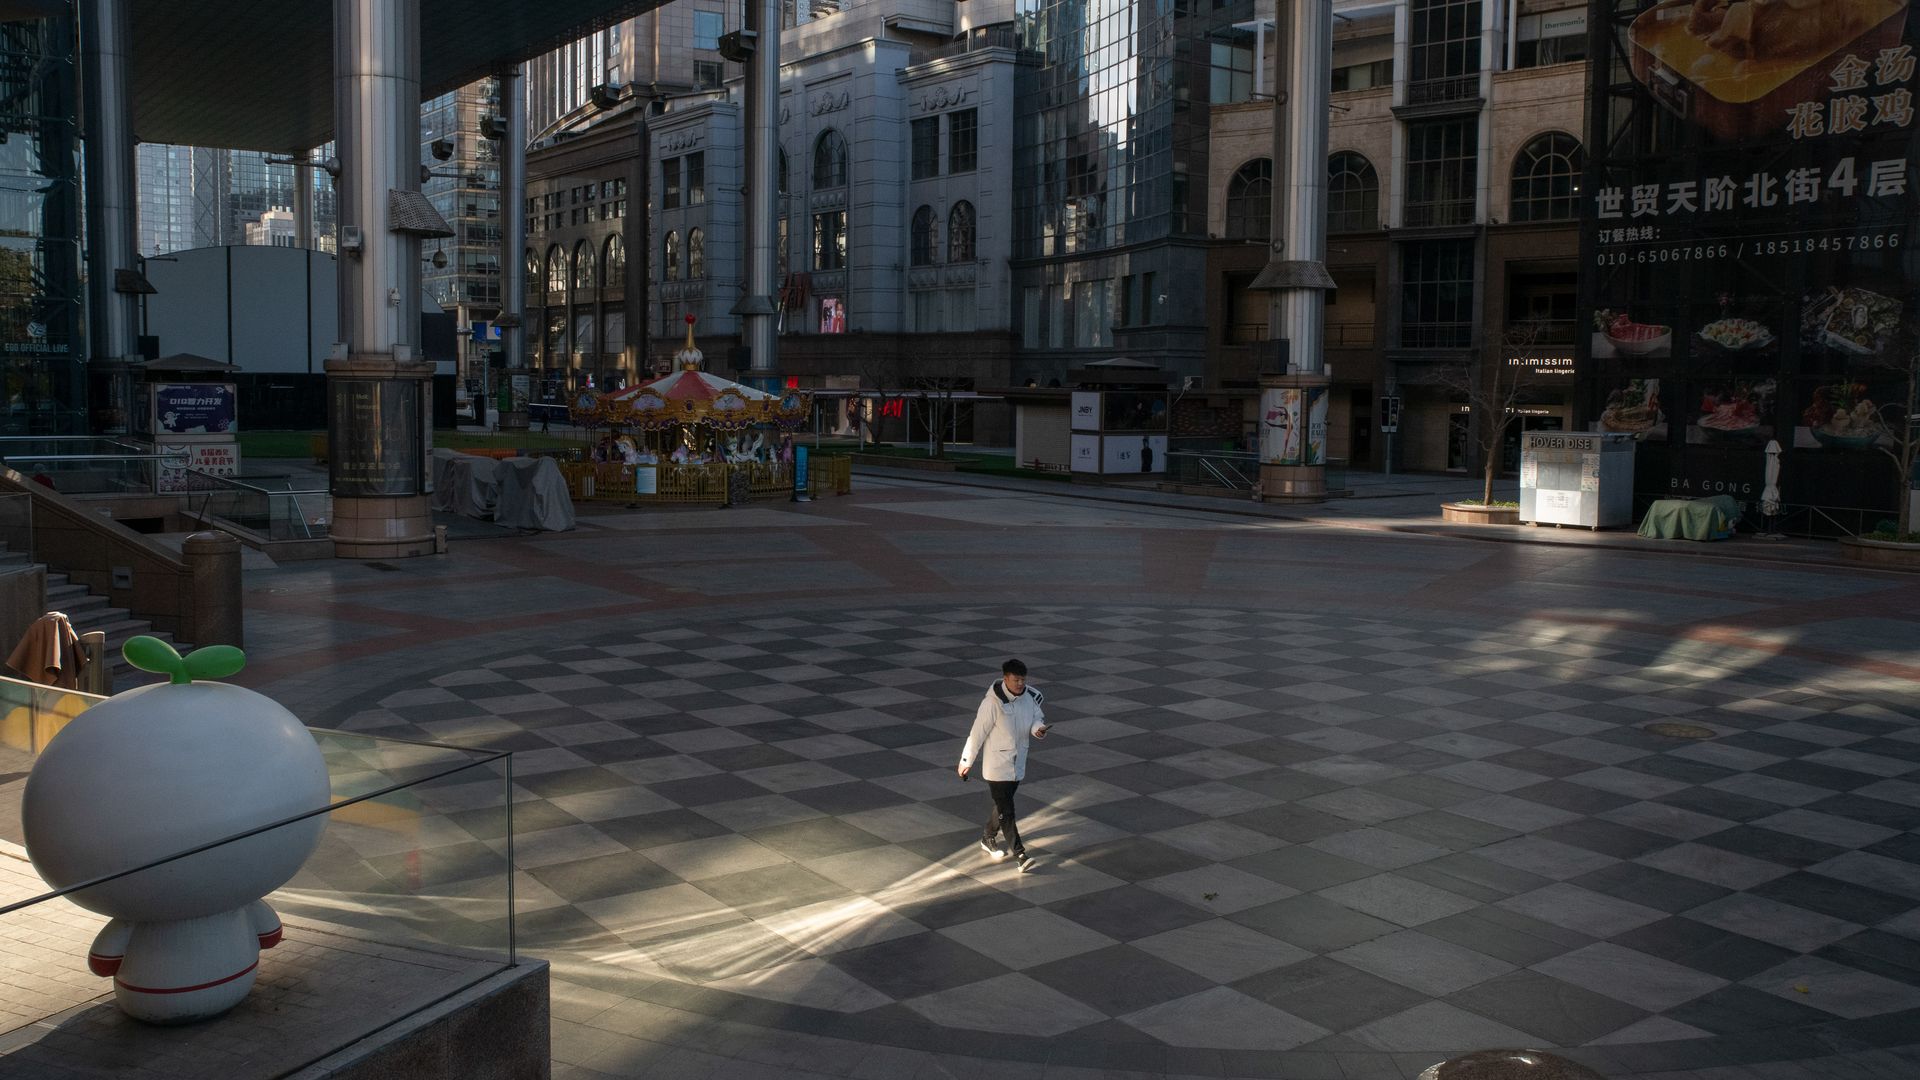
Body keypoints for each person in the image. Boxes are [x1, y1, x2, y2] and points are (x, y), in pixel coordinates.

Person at [957, 658, 1049, 872]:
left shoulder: (1029, 698)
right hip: (997, 766)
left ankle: (988, 836)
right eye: (1016, 680)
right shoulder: (992, 703)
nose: (1020, 684)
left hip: (1018, 764)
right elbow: (977, 734)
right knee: (1007, 810)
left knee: (1002, 806)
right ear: (1005, 678)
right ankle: (1021, 855)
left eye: (1023, 680)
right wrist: (966, 761)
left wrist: (1039, 729)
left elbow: (1037, 718)